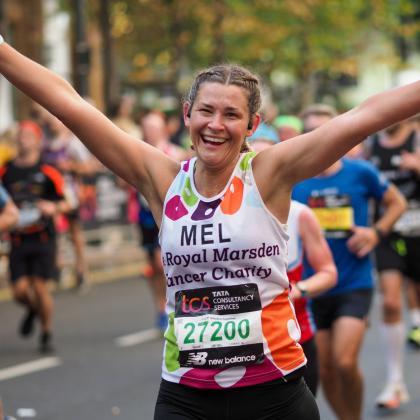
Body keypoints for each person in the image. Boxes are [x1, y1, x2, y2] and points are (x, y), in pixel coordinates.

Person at [1, 37, 420, 419]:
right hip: (186, 395)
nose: (215, 124)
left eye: (231, 115)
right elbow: (69, 104)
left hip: (275, 392)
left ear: (252, 126)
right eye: (205, 110)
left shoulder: (269, 174)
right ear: (187, 115)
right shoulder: (162, 180)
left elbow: (366, 116)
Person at [292, 104, 407, 420]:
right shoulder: (296, 180)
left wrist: (375, 232)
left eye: (327, 129)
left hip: (354, 281)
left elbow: (397, 202)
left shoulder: (360, 172)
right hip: (312, 286)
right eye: (311, 130)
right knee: (327, 370)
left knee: (344, 362)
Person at [248, 131, 337, 396]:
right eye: (252, 162)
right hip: (242, 349)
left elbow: (328, 272)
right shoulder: (223, 214)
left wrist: (300, 290)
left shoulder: (300, 214)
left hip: (295, 340)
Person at [0, 120, 71, 353]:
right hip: (18, 238)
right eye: (20, 136)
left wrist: (53, 208)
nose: (23, 140)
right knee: (19, 290)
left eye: (28, 136)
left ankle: (46, 332)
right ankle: (32, 309)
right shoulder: (6, 170)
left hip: (43, 238)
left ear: (38, 141)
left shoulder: (48, 170)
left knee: (40, 287)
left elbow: (69, 202)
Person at [364, 117, 420, 408]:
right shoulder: (372, 146)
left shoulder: (417, 139)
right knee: (390, 301)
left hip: (418, 230)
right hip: (387, 232)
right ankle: (394, 382)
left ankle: (417, 321)